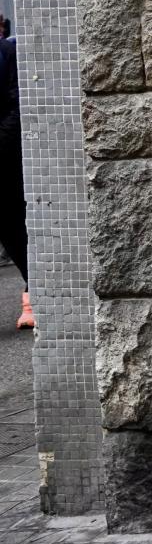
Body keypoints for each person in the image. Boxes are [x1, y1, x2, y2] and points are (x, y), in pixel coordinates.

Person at [0, 19, 29, 331]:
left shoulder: (7, 54)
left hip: (5, 160)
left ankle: (33, 291)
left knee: (14, 230)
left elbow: (16, 107)